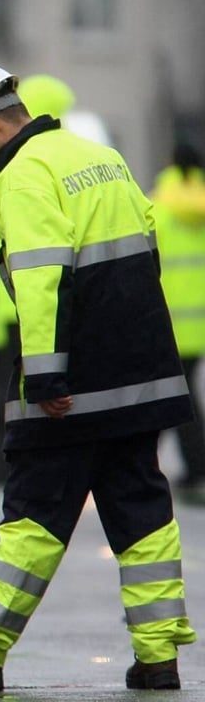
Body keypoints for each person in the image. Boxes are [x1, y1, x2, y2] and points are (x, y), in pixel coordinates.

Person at [0, 62, 197, 691]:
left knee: (34, 512)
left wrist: (47, 377)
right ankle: (158, 655)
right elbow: (146, 246)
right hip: (141, 373)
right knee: (142, 514)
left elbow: (40, 281)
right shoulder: (100, 155)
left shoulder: (24, 174)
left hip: (75, 381)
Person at [0, 74, 77, 485]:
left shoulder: (13, 169)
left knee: (12, 390)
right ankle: (1, 463)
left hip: (14, 303)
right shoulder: (20, 172)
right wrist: (10, 306)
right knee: (14, 392)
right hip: (22, 306)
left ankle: (4, 463)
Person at [151, 143, 205, 488]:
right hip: (199, 324)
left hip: (168, 322)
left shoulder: (156, 205)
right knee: (180, 395)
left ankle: (195, 465)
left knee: (171, 399)